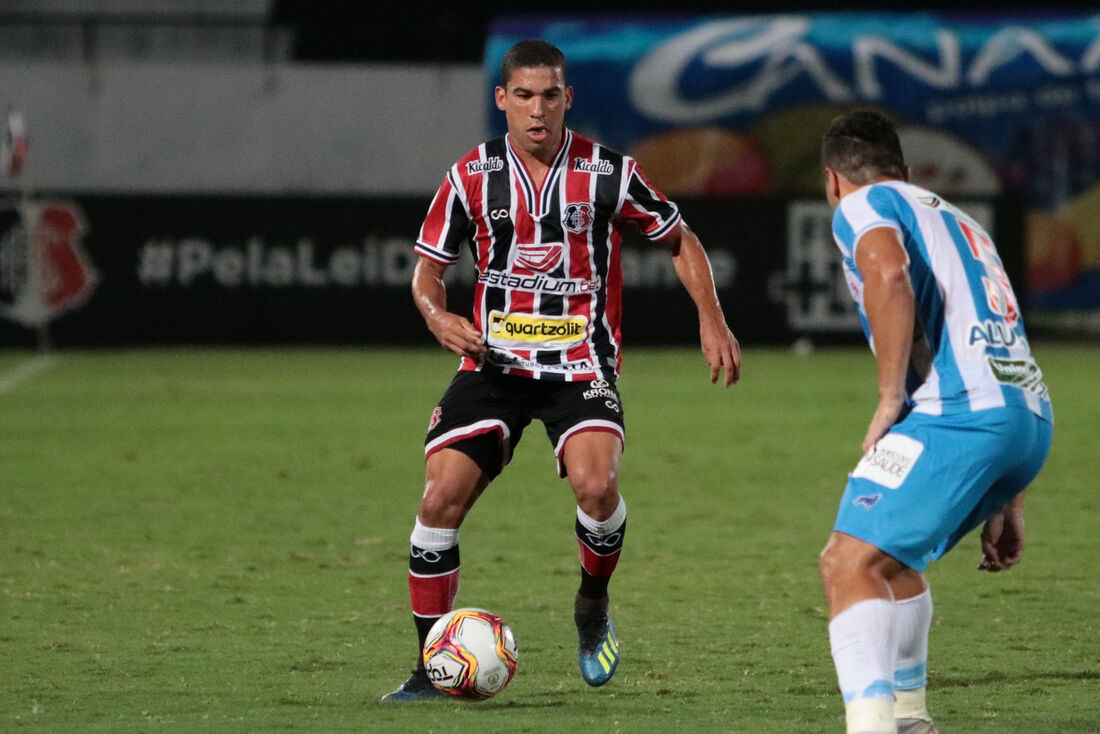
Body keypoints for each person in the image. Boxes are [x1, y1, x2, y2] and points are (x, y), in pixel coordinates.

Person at [381, 39, 741, 702]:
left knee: (597, 489)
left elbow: (678, 237)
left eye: (550, 95)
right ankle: (430, 666)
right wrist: (437, 317)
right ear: (503, 100)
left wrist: (710, 318)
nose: (537, 109)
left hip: (580, 365)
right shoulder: (471, 175)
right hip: (493, 365)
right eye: (523, 95)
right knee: (437, 502)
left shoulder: (609, 172)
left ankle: (591, 605)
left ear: (568, 98)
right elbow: (427, 272)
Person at [817, 108, 1053, 734]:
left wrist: (890, 397)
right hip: (1024, 417)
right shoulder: (961, 219)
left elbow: (887, 273)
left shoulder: (862, 204)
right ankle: (911, 719)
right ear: (909, 170)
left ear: (833, 180)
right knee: (892, 560)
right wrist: (1012, 491)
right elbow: (1003, 336)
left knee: (849, 565)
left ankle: (871, 727)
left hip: (960, 416)